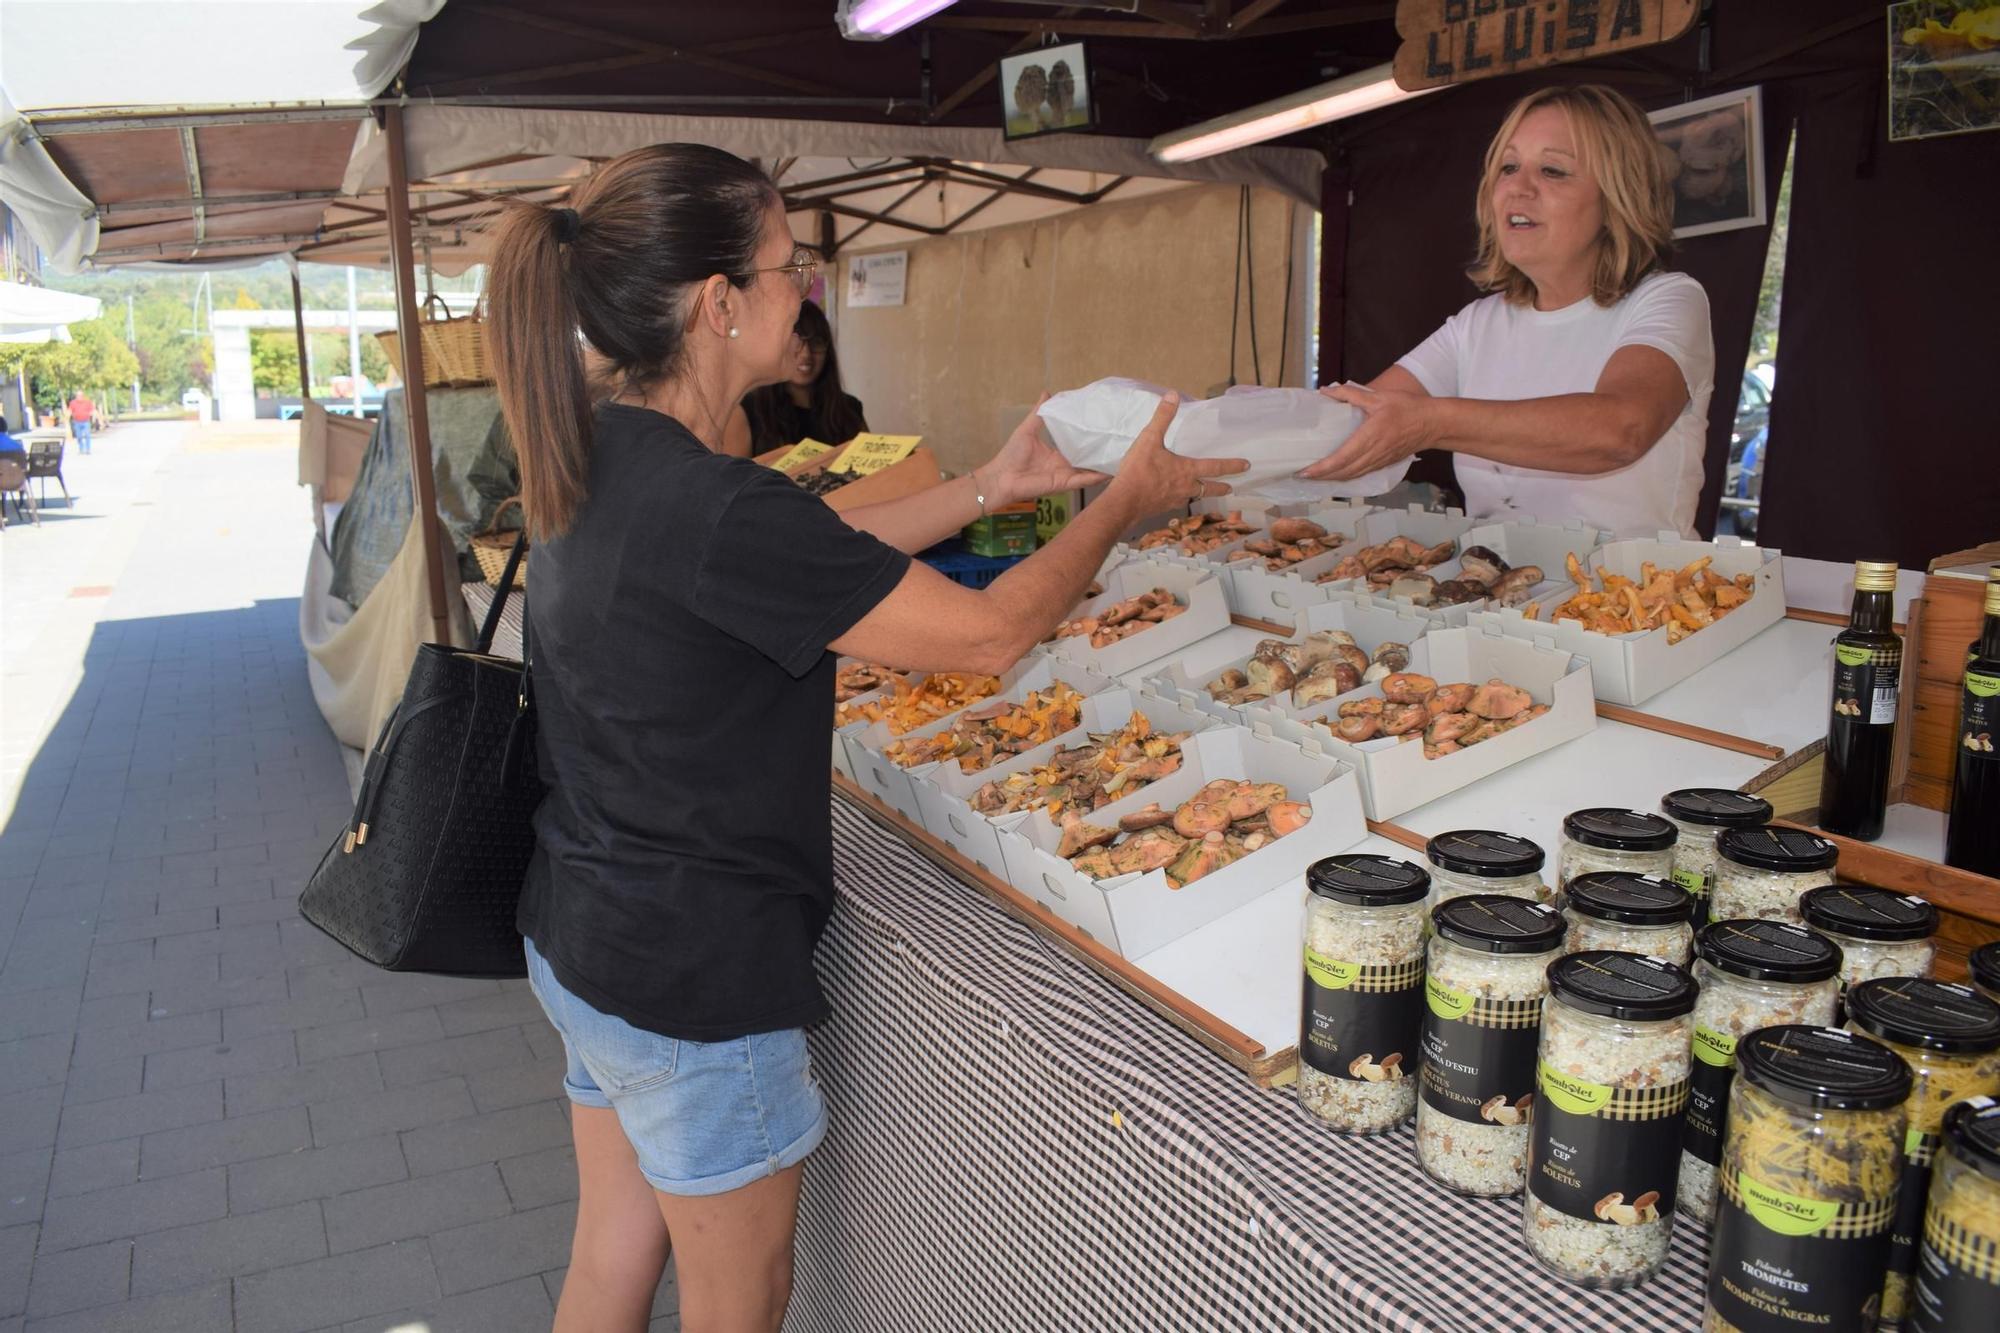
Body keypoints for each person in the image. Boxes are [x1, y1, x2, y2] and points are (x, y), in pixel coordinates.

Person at [484, 143, 1241, 1333]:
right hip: (690, 977)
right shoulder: (709, 501)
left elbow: (807, 533)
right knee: (741, 1302)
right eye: (789, 268)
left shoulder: (604, 452)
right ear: (717, 304)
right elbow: (991, 635)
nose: (807, 293)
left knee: (608, 1262)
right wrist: (1116, 507)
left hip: (586, 932)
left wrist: (992, 484)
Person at [1302, 84, 1715, 538]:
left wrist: (1430, 422)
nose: (1518, 187)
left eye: (1554, 170)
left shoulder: (1668, 299)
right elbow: (1353, 420)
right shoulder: (1478, 323)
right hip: (1497, 596)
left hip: (1636, 600)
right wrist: (1218, 448)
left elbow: (1620, 430)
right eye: (1508, 166)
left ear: (1618, 196)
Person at [726, 300, 866, 458]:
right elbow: (734, 480)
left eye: (816, 343)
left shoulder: (850, 408)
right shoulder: (747, 411)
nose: (806, 354)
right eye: (796, 343)